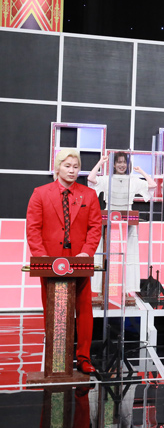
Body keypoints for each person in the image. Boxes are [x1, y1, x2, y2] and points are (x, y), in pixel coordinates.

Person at [26, 148, 102, 375]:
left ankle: (83, 358)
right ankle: (56, 356)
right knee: (52, 309)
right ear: (57, 167)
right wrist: (42, 257)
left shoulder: (89, 195)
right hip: (50, 261)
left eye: (76, 167)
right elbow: (33, 228)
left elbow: (95, 228)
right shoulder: (40, 193)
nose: (72, 170)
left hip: (79, 260)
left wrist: (86, 253)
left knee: (84, 310)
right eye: (67, 166)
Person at [88, 152, 157, 293]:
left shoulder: (133, 180)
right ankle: (103, 289)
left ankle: (126, 290)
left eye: (124, 162)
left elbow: (152, 185)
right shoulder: (107, 179)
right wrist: (101, 162)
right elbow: (91, 178)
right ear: (114, 164)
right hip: (108, 223)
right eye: (118, 162)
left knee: (128, 254)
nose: (122, 165)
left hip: (128, 222)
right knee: (105, 254)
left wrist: (141, 171)